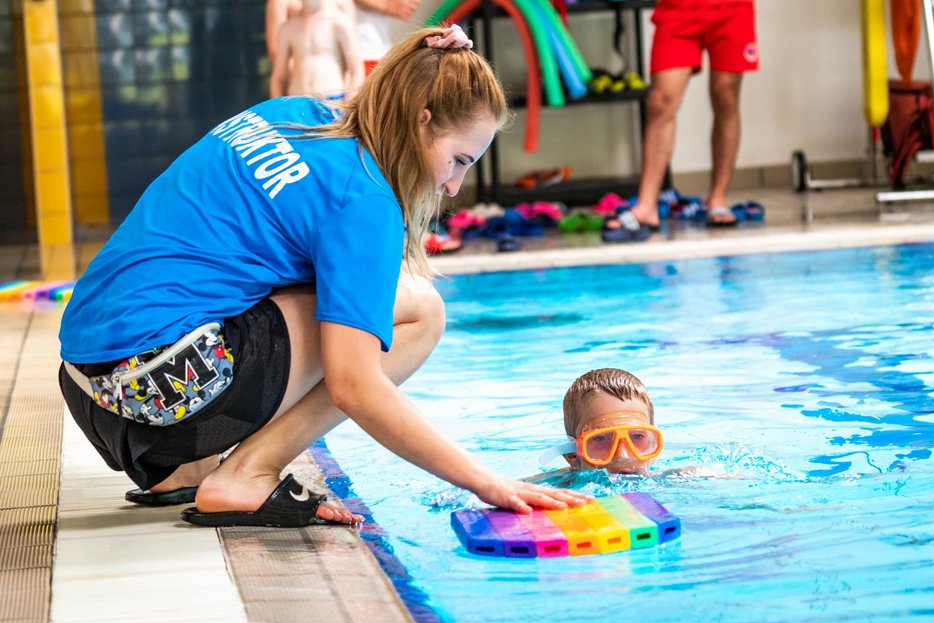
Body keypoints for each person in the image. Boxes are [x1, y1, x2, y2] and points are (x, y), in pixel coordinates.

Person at [58, 25, 591, 528]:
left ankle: (184, 468)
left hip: (87, 385)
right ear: (422, 118)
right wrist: (487, 482)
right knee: (421, 311)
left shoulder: (295, 113)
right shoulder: (363, 199)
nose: (453, 186)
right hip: (158, 389)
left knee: (313, 287)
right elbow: (353, 387)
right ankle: (248, 474)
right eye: (458, 160)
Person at [603, 0, 758, 242]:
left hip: (732, 8)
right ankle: (646, 206)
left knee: (726, 98)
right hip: (679, 8)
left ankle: (717, 198)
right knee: (660, 101)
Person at [269, 0, 365, 98]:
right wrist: (275, 108)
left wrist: (348, 107)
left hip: (333, 101)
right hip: (297, 101)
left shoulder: (340, 22)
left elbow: (357, 71)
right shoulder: (288, 28)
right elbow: (278, 78)